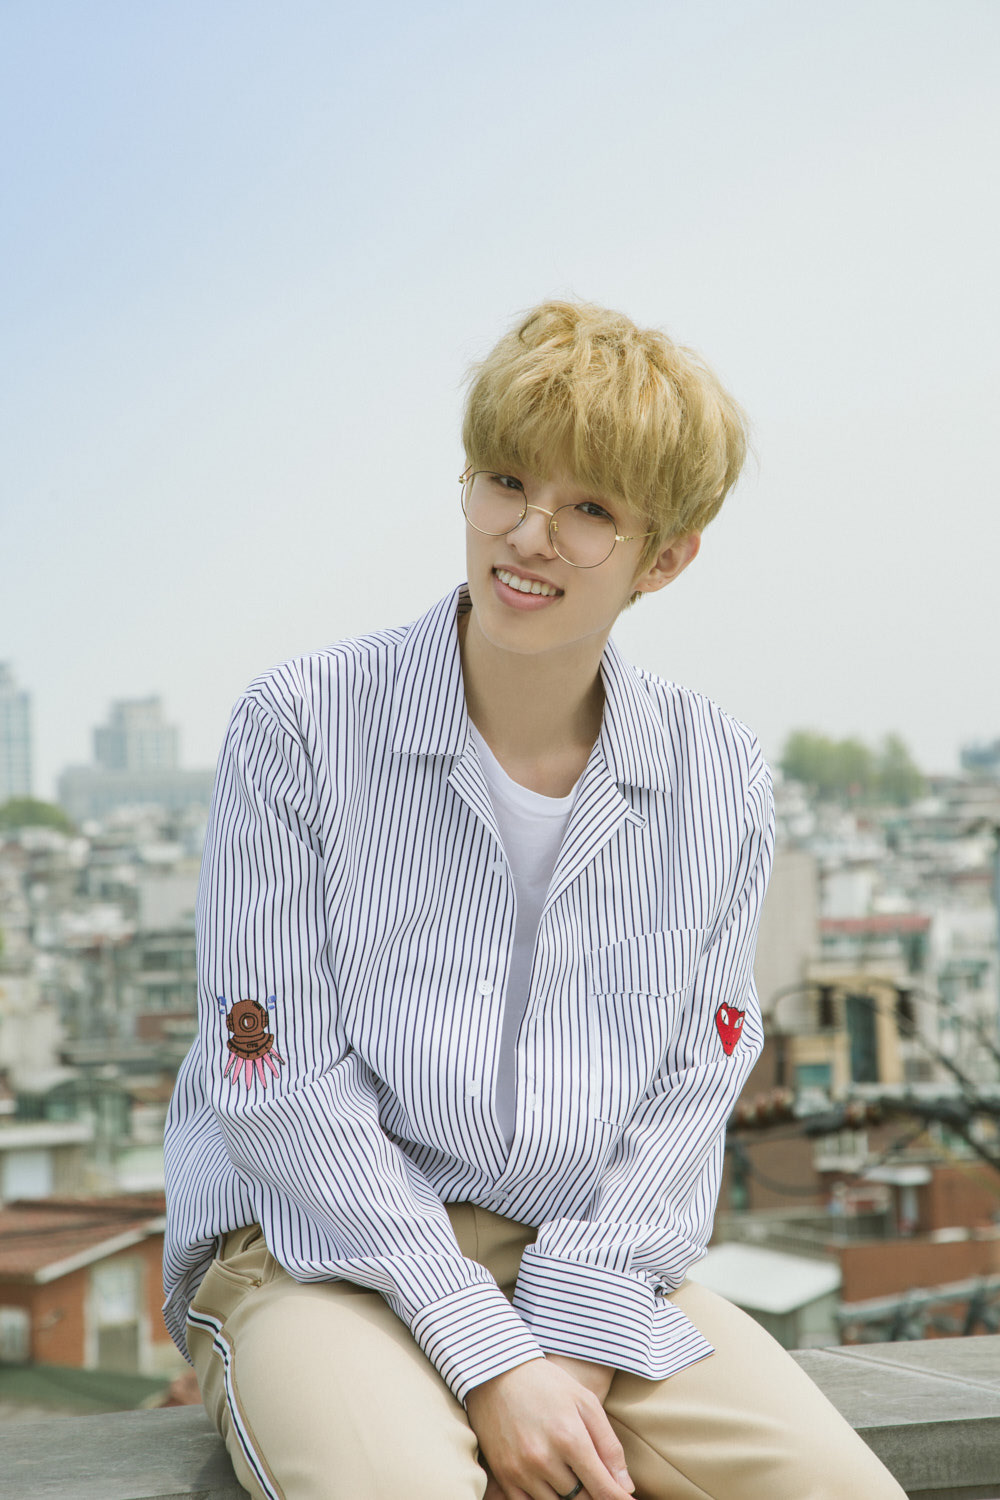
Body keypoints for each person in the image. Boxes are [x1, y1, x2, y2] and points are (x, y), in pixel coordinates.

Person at [163, 300, 906, 1500]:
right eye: (506, 481)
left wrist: (566, 1343)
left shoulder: (715, 773)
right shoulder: (300, 726)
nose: (528, 534)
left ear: (665, 558)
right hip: (308, 1249)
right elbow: (278, 1080)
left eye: (591, 510)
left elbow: (693, 1082)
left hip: (582, 1260)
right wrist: (488, 1354)